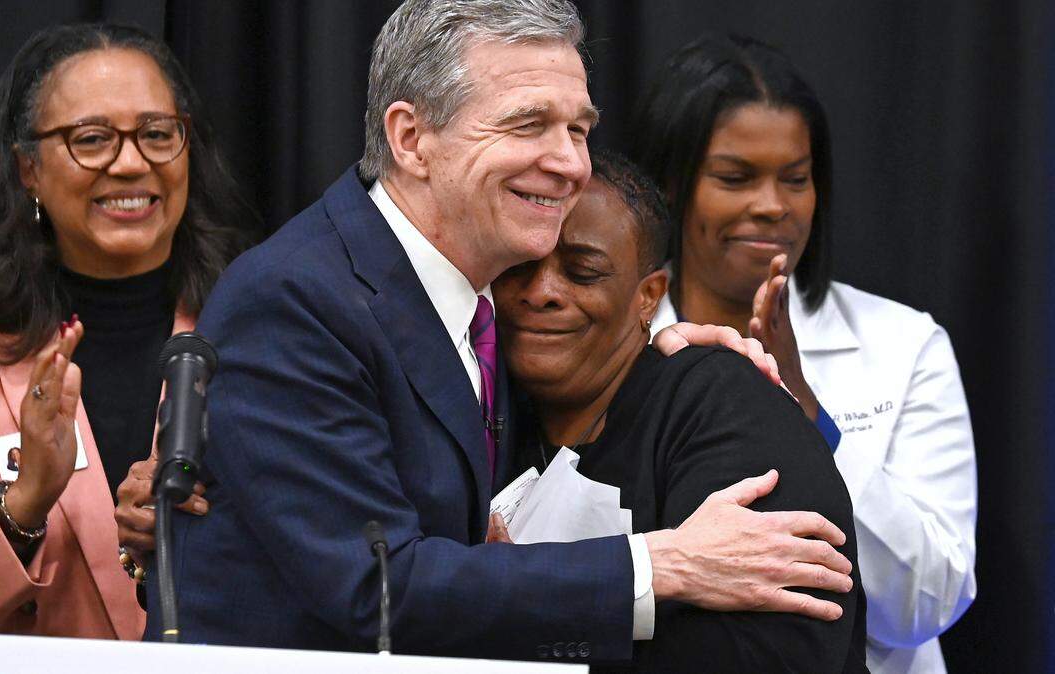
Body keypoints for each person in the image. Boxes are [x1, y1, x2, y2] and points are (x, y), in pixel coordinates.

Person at [153, 0, 853, 663]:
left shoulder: (478, 303)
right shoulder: (295, 299)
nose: (570, 163)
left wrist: (648, 360)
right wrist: (662, 565)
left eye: (578, 130)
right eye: (528, 125)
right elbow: (377, 588)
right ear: (411, 139)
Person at [0, 23, 257, 637]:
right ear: (28, 169)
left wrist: (203, 535)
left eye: (157, 134)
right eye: (91, 139)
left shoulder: (261, 332)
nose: (131, 163)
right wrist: (21, 507)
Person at [631, 33, 976, 673]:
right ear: (671, 184)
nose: (772, 206)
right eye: (735, 178)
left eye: (795, 179)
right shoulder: (619, 339)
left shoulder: (905, 344)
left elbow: (929, 603)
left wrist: (808, 409)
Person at [491, 148, 866, 672]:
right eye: (519, 267)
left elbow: (769, 654)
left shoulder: (724, 405)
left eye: (583, 272)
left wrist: (514, 609)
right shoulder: (483, 414)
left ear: (648, 296)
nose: (541, 292)